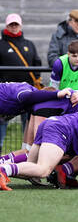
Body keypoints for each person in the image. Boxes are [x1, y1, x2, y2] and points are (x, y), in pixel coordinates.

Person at [0, 13, 42, 152]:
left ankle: (26, 151)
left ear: (20, 25)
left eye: (16, 24)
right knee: (1, 123)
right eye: (11, 24)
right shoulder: (1, 44)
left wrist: (36, 79)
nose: (14, 27)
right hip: (6, 95)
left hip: (26, 92)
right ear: (7, 26)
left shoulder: (28, 44)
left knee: (28, 120)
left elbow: (37, 62)